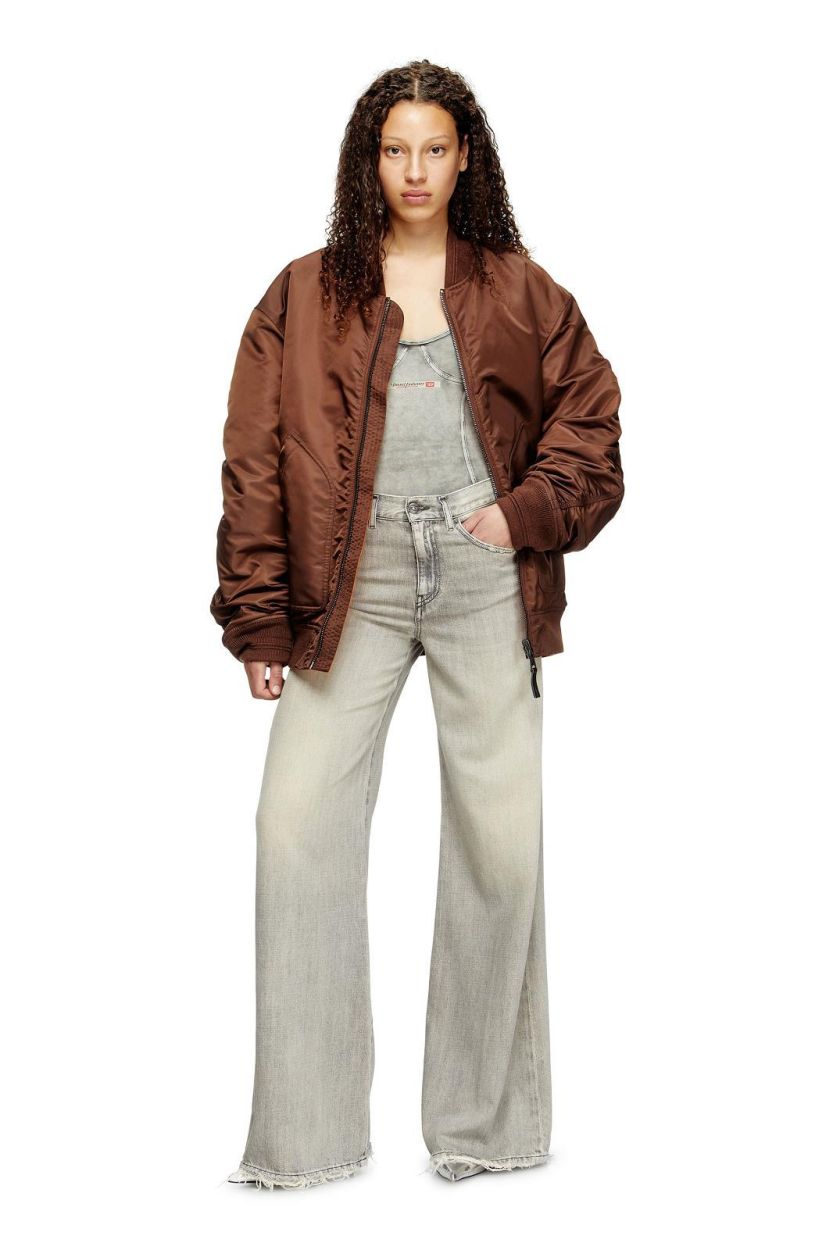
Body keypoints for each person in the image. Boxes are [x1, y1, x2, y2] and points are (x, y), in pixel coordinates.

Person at [210, 59, 624, 1189]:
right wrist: (258, 617)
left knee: (500, 837)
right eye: (394, 149)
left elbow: (590, 422)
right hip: (351, 577)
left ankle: (486, 1128)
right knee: (294, 824)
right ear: (368, 160)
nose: (414, 170)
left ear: (464, 158)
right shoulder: (302, 294)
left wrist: (520, 513)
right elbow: (254, 464)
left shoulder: (520, 288)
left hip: (487, 567)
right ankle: (303, 1139)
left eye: (433, 148)